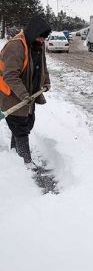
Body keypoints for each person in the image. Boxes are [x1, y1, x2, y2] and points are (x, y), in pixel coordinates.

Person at [0, 16, 51, 164]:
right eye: (40, 37)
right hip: (11, 95)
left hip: (28, 96)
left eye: (44, 38)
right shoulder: (15, 46)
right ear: (33, 33)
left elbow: (43, 67)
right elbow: (10, 76)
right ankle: (25, 162)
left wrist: (46, 82)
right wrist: (23, 95)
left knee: (27, 124)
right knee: (20, 128)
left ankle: (15, 155)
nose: (42, 41)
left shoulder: (37, 45)